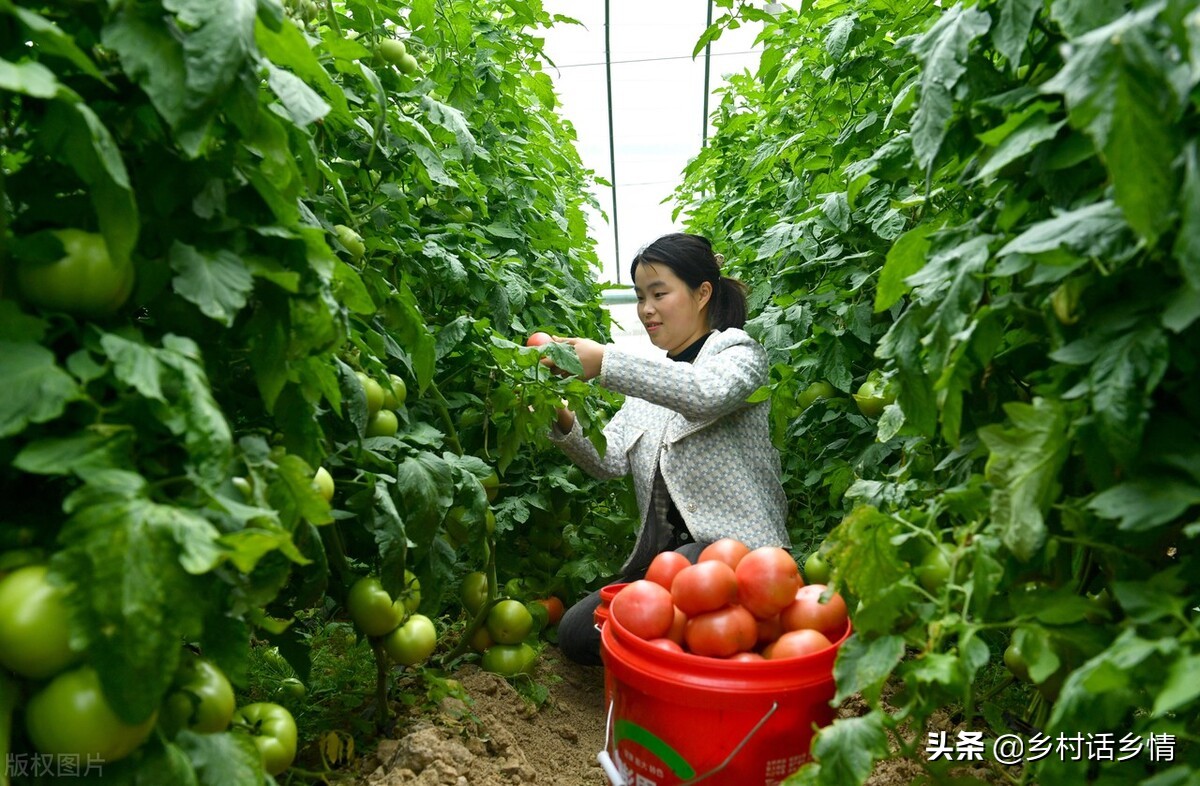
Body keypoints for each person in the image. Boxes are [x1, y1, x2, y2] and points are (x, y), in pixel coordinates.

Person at [544, 232, 789, 666]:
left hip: (740, 555)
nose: (646, 310)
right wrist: (559, 414)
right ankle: (695, 651)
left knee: (665, 605)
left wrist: (604, 362)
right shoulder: (647, 387)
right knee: (580, 633)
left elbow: (704, 393)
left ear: (702, 293)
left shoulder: (737, 353)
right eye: (640, 297)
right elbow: (609, 459)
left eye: (659, 293)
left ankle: (706, 660)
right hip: (669, 565)